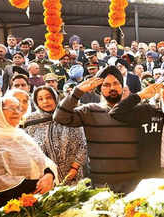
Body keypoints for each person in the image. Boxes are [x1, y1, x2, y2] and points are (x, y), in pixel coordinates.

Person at [53, 65, 139, 194]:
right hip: (101, 186)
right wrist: (77, 92)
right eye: (106, 85)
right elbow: (60, 117)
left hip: (134, 186)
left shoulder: (136, 111)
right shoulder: (90, 110)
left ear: (122, 86)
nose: (112, 88)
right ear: (99, 89)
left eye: (116, 83)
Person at [0, 96, 58, 213]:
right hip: (12, 208)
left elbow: (43, 160)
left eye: (18, 108)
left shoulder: (22, 135)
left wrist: (49, 175)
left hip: (40, 201)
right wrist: (36, 186)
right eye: (11, 108)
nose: (17, 112)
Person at [24, 86, 88, 185]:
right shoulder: (31, 121)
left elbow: (83, 144)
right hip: (45, 177)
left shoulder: (69, 116)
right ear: (36, 102)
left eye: (49, 97)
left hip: (73, 173)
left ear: (56, 98)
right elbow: (29, 149)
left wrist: (75, 168)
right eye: (40, 99)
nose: (45, 101)